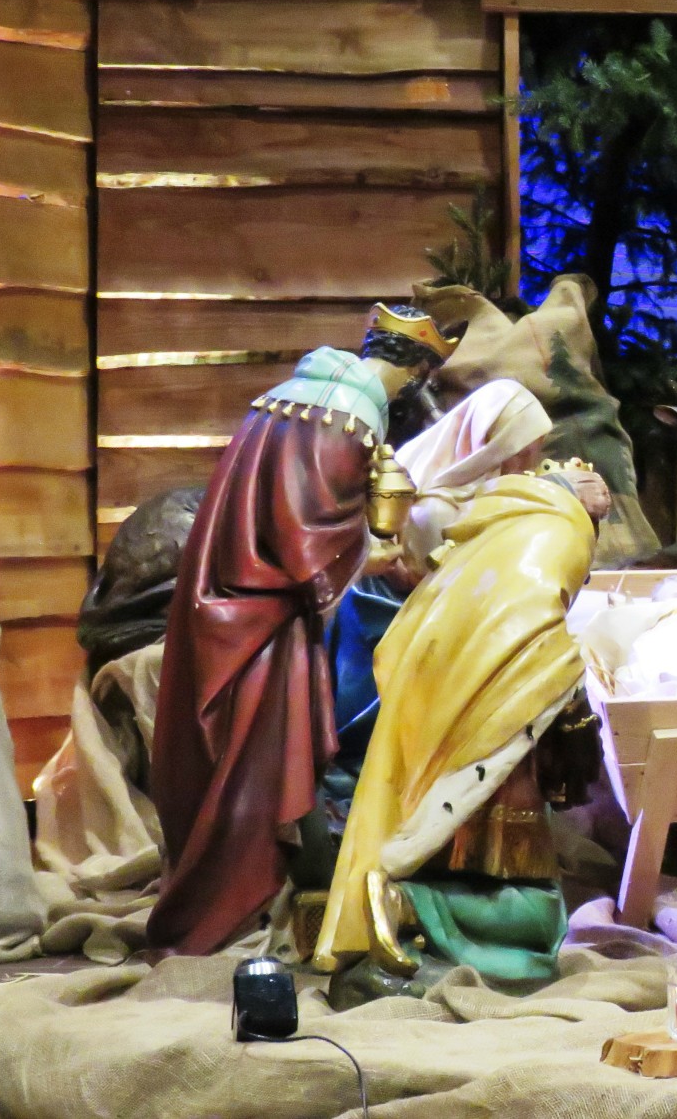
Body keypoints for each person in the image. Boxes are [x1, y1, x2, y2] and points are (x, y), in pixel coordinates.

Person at [147, 305, 452, 956]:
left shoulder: (292, 398)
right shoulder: (345, 416)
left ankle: (252, 903)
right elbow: (303, 534)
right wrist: (371, 556)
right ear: (417, 370)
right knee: (255, 775)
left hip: (236, 602)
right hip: (260, 621)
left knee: (247, 770)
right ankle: (232, 907)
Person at [316, 460, 611, 977]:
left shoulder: (481, 552)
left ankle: (412, 906)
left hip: (428, 771)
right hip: (504, 798)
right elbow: (572, 764)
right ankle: (408, 905)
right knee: (539, 910)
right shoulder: (542, 644)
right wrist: (574, 710)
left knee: (445, 861)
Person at [326, 380, 553, 796]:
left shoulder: (479, 490)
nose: (530, 463)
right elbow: (441, 589)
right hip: (398, 631)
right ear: (489, 444)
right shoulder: (438, 506)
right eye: (521, 450)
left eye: (536, 448)